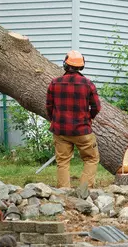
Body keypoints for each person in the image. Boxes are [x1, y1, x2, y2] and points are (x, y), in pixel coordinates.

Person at [46, 50, 101, 188]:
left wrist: (55, 120)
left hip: (61, 131)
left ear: (65, 64)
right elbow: (96, 107)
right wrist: (89, 118)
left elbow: (49, 107)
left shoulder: (54, 83)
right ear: (81, 66)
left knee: (62, 162)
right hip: (82, 131)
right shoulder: (88, 84)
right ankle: (84, 190)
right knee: (91, 159)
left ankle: (63, 194)